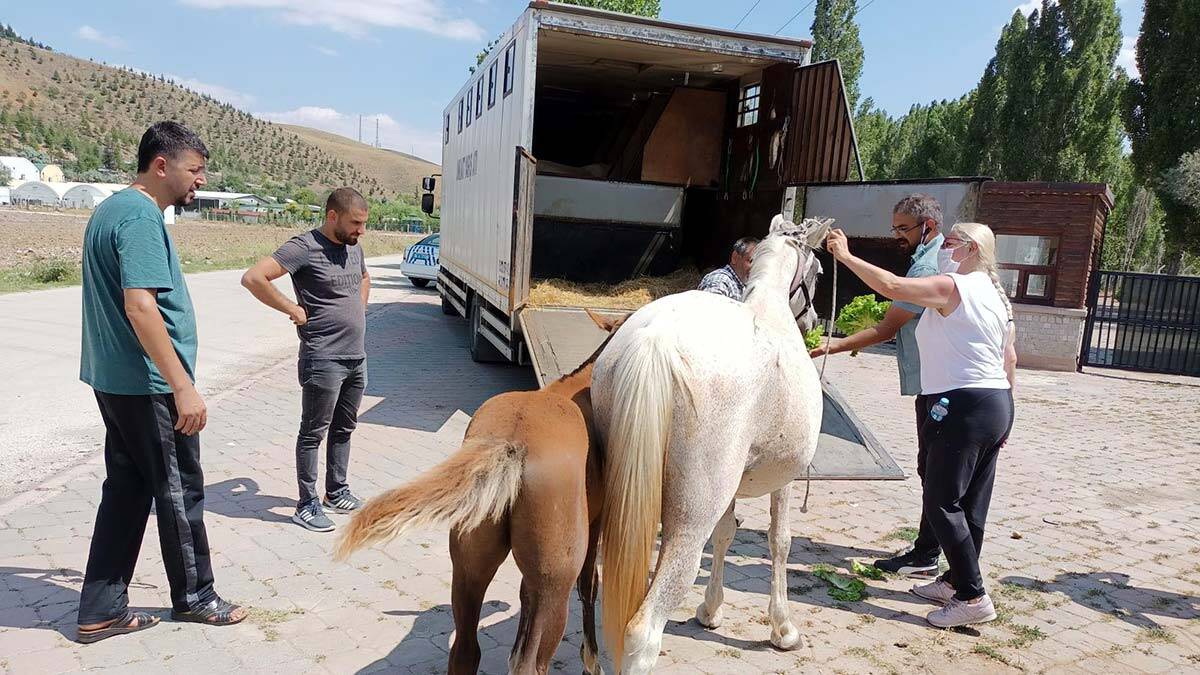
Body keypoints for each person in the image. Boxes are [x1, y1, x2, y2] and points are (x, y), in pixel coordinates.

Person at [77, 122, 246, 643]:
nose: (199, 181)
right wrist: (182, 386)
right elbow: (140, 304)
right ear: (161, 165)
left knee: (126, 491)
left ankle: (101, 608)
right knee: (180, 491)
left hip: (116, 380)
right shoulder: (141, 218)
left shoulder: (110, 208)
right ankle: (196, 597)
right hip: (149, 384)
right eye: (194, 170)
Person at [824, 222, 1016, 628]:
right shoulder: (997, 298)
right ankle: (954, 580)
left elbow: (893, 286)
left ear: (971, 249)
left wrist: (845, 256)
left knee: (942, 502)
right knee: (970, 504)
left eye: (950, 243)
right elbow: (1009, 359)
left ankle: (973, 596)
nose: (943, 249)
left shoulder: (953, 287)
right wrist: (1003, 416)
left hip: (962, 403)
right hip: (993, 401)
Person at [811, 193, 945, 578]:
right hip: (936, 380)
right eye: (895, 228)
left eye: (904, 229)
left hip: (941, 384)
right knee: (935, 471)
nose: (897, 237)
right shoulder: (927, 260)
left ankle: (929, 555)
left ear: (928, 227)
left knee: (936, 473)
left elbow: (888, 322)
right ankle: (933, 551)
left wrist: (832, 345)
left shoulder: (928, 268)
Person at [241, 188, 371, 532]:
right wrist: (292, 309)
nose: (361, 231)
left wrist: (360, 308)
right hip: (323, 357)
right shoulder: (304, 247)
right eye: (355, 223)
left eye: (363, 224)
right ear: (332, 216)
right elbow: (254, 278)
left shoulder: (353, 248)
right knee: (313, 432)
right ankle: (306, 504)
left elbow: (364, 278)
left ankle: (336, 491)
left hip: (356, 356)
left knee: (344, 428)